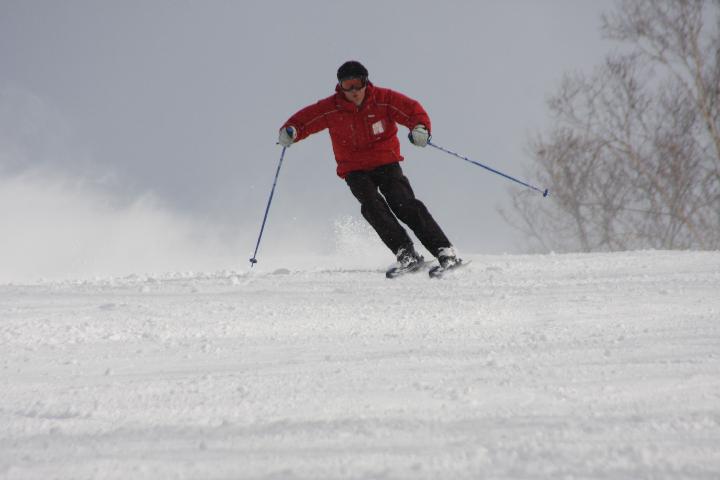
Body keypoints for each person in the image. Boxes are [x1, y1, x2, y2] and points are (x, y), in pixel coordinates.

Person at [278, 60, 460, 276]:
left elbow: (412, 111)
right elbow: (305, 120)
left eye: (357, 84)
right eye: (347, 86)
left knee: (403, 203)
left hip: (386, 163)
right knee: (372, 206)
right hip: (354, 169)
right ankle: (406, 254)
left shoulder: (383, 99)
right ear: (340, 87)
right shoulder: (331, 108)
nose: (353, 91)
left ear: (366, 82)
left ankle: (444, 251)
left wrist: (420, 128)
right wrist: (291, 131)